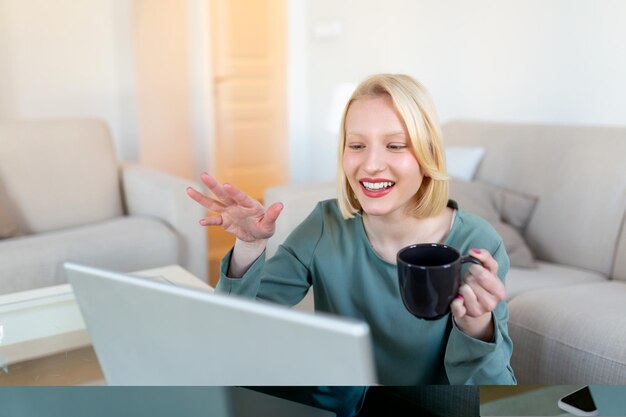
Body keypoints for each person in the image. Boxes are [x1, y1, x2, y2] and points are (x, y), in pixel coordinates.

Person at [186, 73, 516, 416]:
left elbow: (496, 396)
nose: (370, 165)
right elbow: (231, 332)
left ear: (428, 152)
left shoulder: (476, 244)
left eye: (396, 145)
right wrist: (248, 248)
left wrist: (477, 327)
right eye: (357, 145)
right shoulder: (324, 226)